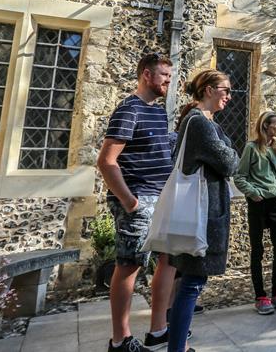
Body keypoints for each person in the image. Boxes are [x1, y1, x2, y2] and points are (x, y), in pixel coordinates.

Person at [97, 54, 178, 352]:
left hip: (161, 199)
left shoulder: (158, 112)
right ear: (147, 75)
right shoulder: (128, 110)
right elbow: (106, 162)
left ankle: (159, 330)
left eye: (170, 75)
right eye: (164, 75)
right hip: (138, 200)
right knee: (129, 266)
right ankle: (120, 341)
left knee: (168, 261)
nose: (169, 80)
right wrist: (131, 203)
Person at [166, 70, 241, 352]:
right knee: (192, 284)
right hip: (202, 213)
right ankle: (177, 348)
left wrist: (228, 150)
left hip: (205, 209)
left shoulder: (206, 123)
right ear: (209, 90)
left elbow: (229, 152)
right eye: (226, 90)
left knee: (190, 281)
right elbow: (231, 161)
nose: (229, 96)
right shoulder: (199, 123)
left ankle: (179, 346)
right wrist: (229, 151)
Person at [235, 111, 276, 315]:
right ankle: (260, 295)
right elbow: (239, 177)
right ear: (265, 125)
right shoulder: (251, 148)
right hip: (258, 204)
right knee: (257, 250)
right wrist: (254, 193)